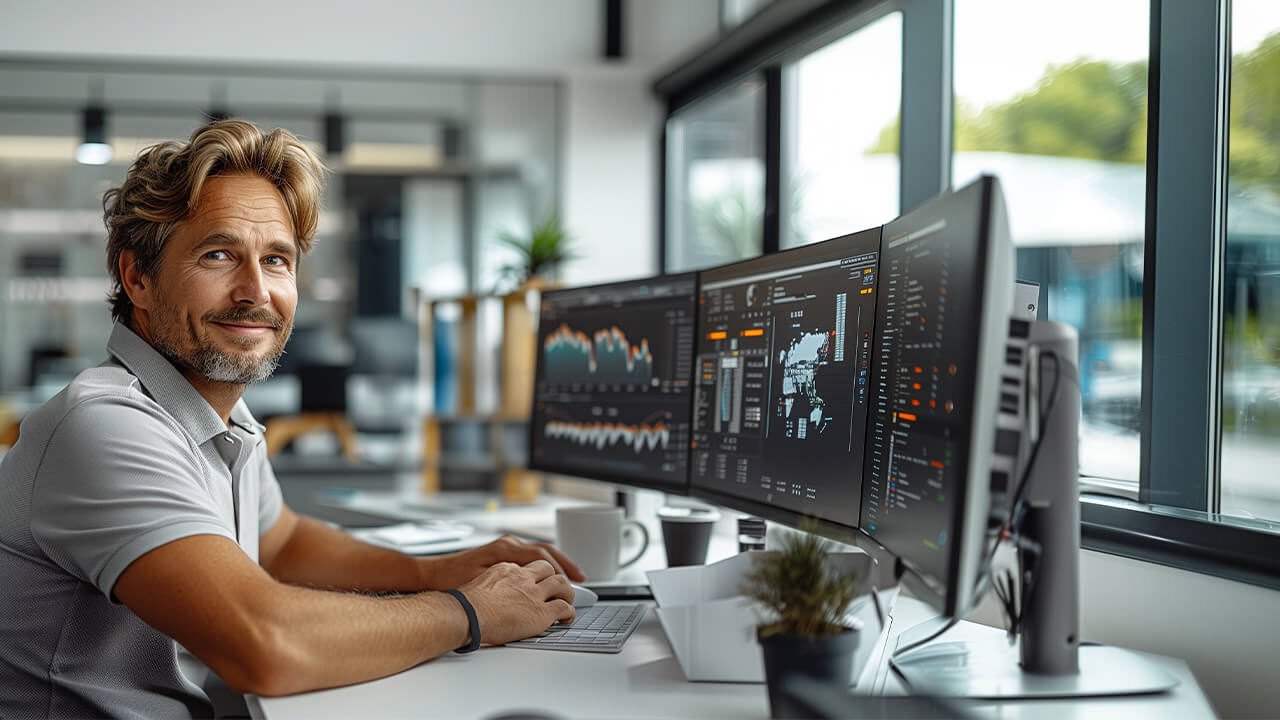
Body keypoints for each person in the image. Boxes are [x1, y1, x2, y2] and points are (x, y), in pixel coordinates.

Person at [0, 119, 584, 718]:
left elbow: (281, 540)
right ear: (138, 278)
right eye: (219, 254)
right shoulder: (107, 423)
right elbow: (266, 644)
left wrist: (435, 570)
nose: (255, 290)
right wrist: (469, 610)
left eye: (276, 260)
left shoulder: (217, 411)